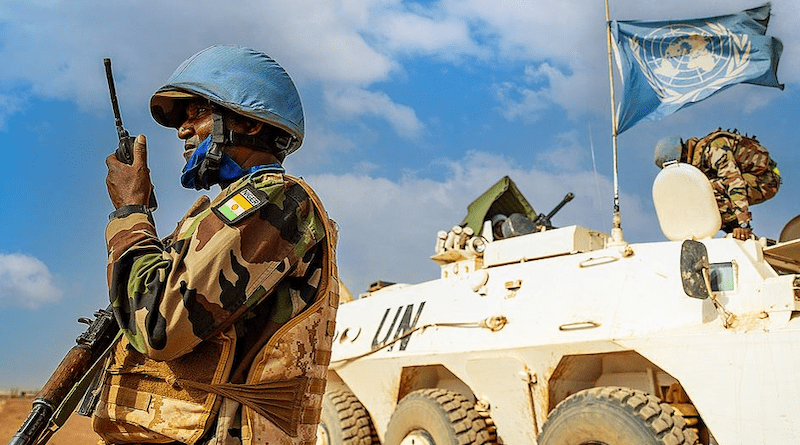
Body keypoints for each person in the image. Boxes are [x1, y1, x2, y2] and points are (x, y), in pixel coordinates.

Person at [94, 45, 339, 445]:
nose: (182, 131)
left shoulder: (274, 198)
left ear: (252, 124)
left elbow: (158, 326)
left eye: (198, 113)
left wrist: (130, 212)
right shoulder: (223, 210)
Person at [654, 128, 781, 241]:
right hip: (746, 180)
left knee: (705, 190)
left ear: (683, 154)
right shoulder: (698, 161)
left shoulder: (714, 148)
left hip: (766, 180)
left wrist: (743, 223)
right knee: (699, 193)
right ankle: (740, 236)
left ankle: (740, 230)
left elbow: (733, 181)